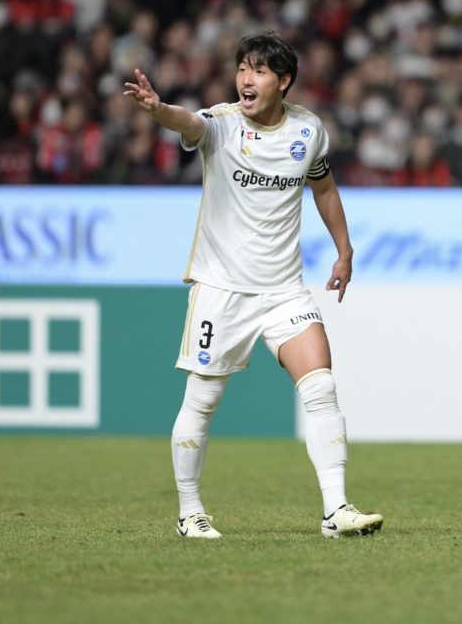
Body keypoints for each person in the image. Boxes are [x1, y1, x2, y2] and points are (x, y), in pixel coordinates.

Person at [124, 31, 383, 539]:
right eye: (242, 68)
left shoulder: (308, 130)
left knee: (321, 387)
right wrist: (159, 109)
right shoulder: (222, 125)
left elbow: (324, 187)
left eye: (259, 71)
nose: (246, 78)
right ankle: (189, 513)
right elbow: (189, 121)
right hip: (221, 290)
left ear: (283, 81)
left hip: (284, 290)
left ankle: (336, 510)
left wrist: (344, 250)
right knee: (201, 401)